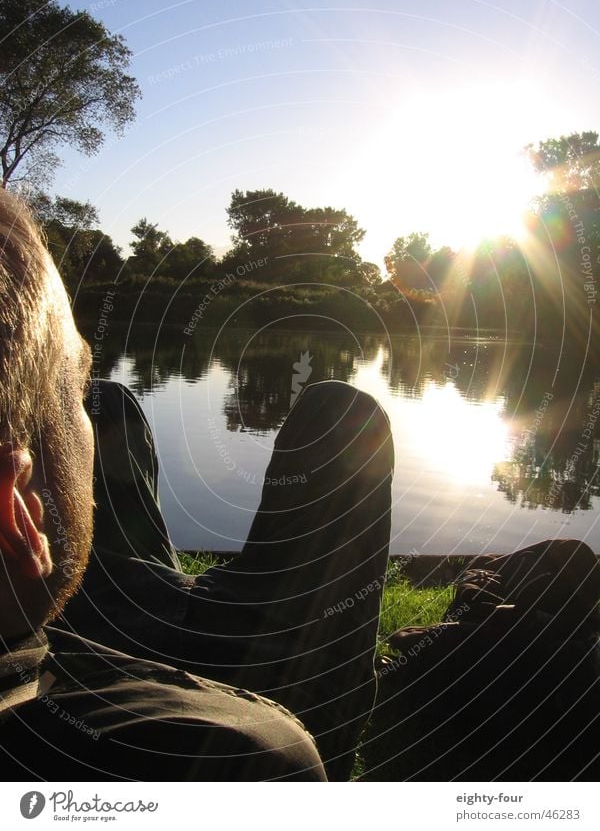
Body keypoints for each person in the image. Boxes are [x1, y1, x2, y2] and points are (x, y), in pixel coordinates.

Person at [0, 187, 394, 781]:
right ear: (16, 509)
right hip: (222, 653)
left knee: (112, 404)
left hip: (76, 606)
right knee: (344, 417)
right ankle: (307, 678)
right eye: (70, 390)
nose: (83, 398)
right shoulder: (249, 763)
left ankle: (152, 581)